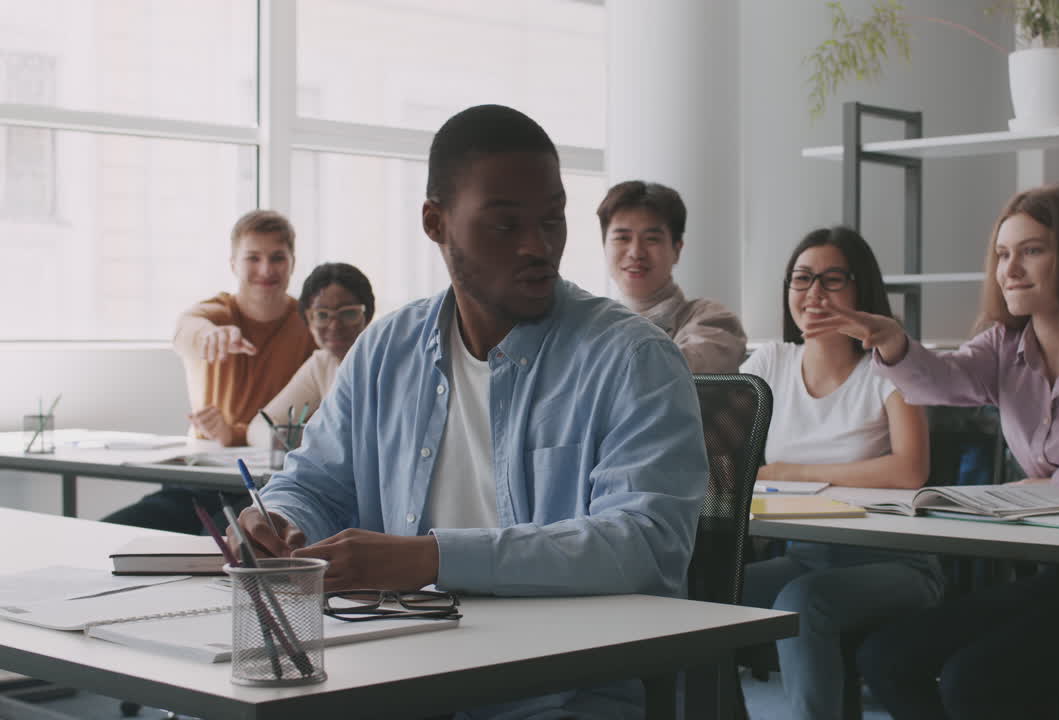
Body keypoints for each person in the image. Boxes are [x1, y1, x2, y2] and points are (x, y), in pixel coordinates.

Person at [234, 105, 708, 719]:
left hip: (557, 690)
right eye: (505, 225)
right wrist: (276, 520)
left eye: (552, 220)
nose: (538, 246)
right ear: (436, 222)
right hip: (394, 672)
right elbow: (313, 484)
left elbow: (647, 545)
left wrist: (429, 558)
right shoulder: (385, 350)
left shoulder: (631, 358)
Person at [831, 183, 1059, 719]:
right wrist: (894, 343)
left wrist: (1056, 483)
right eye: (1003, 254)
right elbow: (943, 381)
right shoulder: (1004, 345)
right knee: (886, 657)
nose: (1010, 270)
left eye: (1032, 250)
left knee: (972, 681)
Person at [738, 226, 943, 719]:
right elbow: (726, 453)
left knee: (802, 602)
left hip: (900, 563)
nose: (814, 293)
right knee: (698, 593)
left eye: (832, 280)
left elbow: (910, 470)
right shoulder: (770, 362)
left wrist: (789, 471)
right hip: (809, 556)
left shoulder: (888, 367)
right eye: (802, 278)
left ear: (861, 289)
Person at [102, 210, 314, 533]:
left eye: (277, 258)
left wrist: (233, 433)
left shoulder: (311, 325)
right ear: (233, 264)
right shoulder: (215, 314)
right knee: (116, 531)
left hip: (268, 485)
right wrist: (209, 336)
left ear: (292, 263)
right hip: (200, 480)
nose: (266, 269)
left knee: (220, 540)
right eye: (253, 258)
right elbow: (186, 329)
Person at [598, 180, 747, 372]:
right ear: (605, 246)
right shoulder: (595, 323)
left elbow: (669, 375)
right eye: (622, 238)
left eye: (651, 239)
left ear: (677, 250)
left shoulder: (715, 321)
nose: (636, 252)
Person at [246, 262, 375, 449]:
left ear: (367, 316)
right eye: (322, 315)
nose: (334, 326)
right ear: (308, 320)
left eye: (348, 314)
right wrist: (286, 440)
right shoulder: (322, 364)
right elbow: (258, 426)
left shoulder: (383, 361)